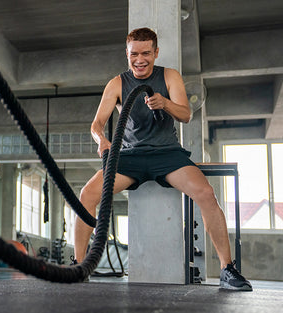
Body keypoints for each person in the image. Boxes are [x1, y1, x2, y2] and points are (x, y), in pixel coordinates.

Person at [73, 27, 252, 291]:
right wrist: (102, 141)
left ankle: (228, 269)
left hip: (167, 154)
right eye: (134, 54)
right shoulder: (117, 84)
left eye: (146, 53)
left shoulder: (169, 76)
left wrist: (165, 104)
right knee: (87, 194)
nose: (140, 59)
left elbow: (186, 114)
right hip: (130, 156)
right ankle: (80, 266)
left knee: (206, 193)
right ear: (127, 54)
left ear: (156, 52)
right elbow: (97, 124)